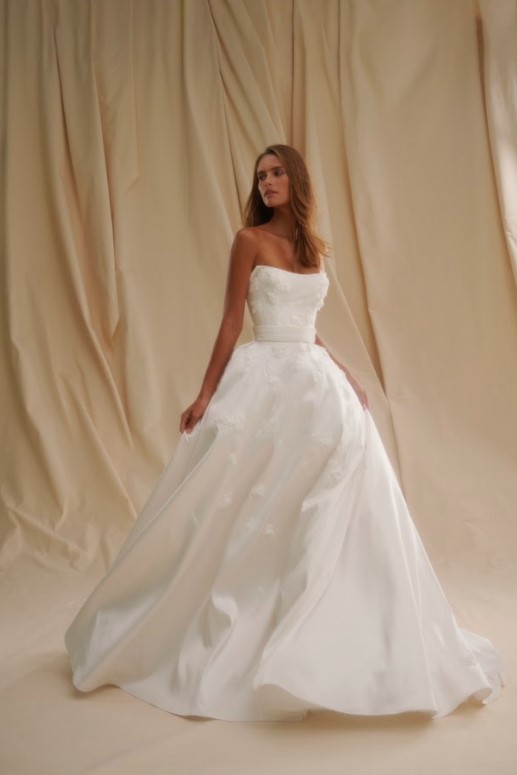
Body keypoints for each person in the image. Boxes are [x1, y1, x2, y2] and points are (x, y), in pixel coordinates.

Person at [65, 144, 505, 722]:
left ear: (296, 180)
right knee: (243, 505)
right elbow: (231, 322)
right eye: (261, 176)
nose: (267, 182)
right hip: (264, 377)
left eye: (276, 173)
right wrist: (204, 393)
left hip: (314, 380)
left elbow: (309, 329)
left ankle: (338, 624)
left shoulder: (314, 250)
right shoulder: (249, 241)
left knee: (341, 486)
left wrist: (345, 374)